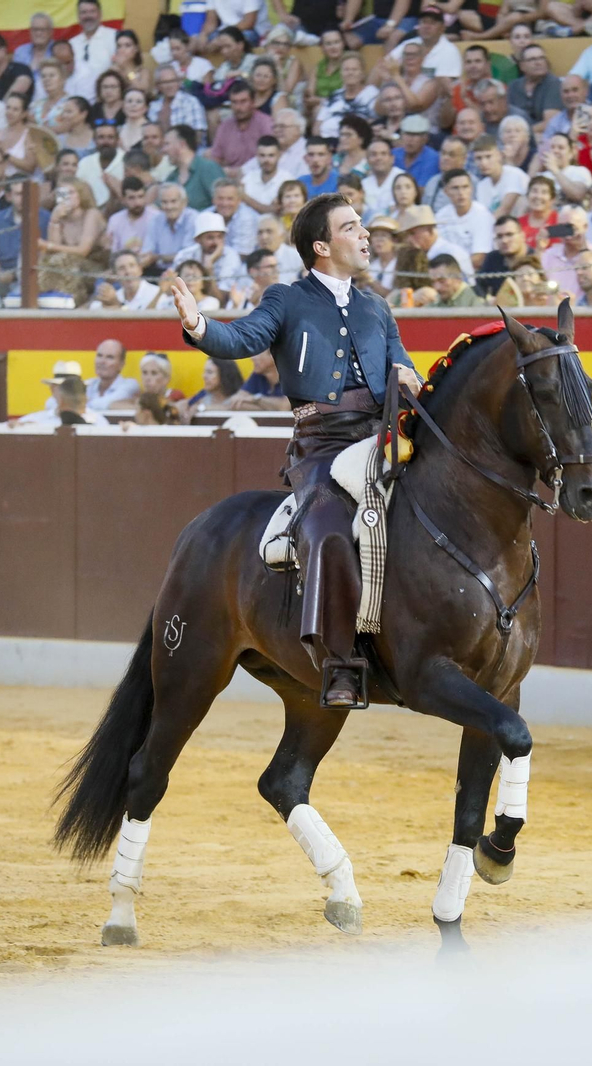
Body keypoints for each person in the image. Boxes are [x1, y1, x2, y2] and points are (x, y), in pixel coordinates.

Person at [170, 192, 424, 708]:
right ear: (322, 245)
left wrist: (413, 378)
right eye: (352, 227)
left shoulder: (377, 306)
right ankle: (340, 663)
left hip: (383, 440)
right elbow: (242, 338)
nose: (365, 234)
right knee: (328, 527)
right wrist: (198, 326)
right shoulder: (286, 298)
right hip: (323, 447)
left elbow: (404, 365)